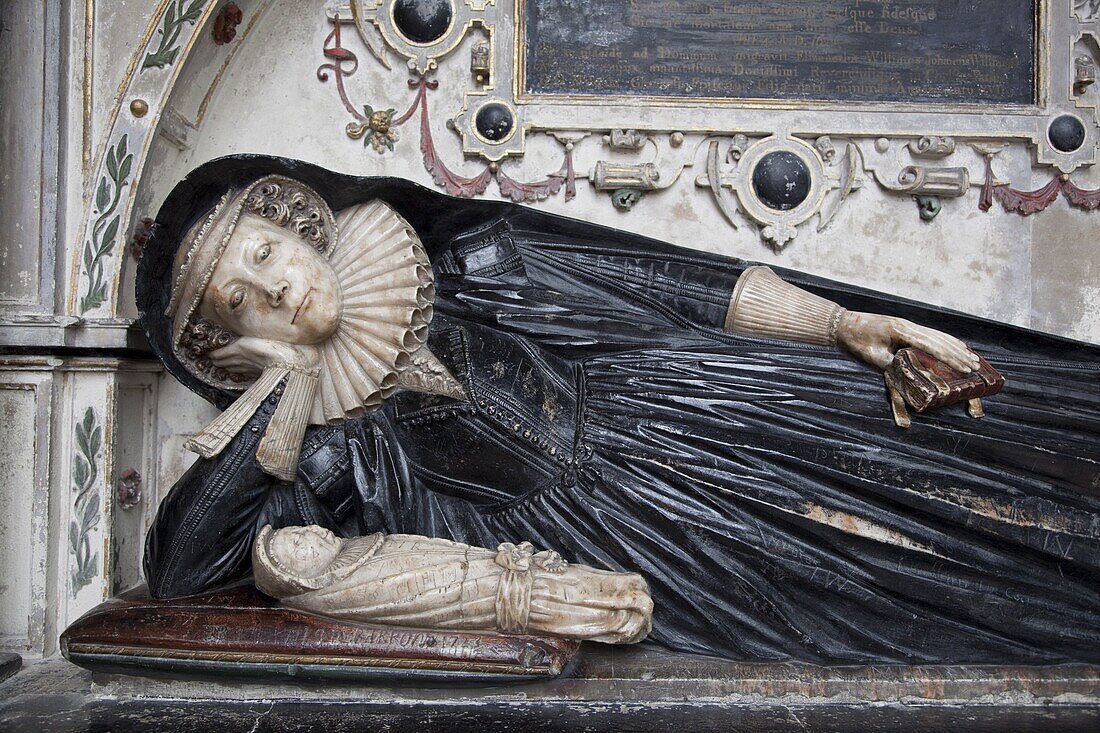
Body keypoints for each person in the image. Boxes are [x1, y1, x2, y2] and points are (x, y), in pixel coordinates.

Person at [140, 160, 1100, 664]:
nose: (273, 292)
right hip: (645, 540)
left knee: (970, 458)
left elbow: (687, 289)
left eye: (265, 256)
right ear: (236, 347)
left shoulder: (480, 258)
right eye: (240, 309)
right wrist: (286, 383)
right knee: (918, 597)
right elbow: (182, 570)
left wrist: (838, 321)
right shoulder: (338, 451)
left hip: (700, 404)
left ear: (300, 224)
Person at [252, 524, 653, 643]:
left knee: (570, 581)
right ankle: (621, 616)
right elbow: (425, 598)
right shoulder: (343, 593)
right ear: (300, 581)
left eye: (298, 529)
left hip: (491, 569)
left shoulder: (362, 548)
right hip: (492, 593)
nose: (311, 532)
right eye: (298, 546)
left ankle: (622, 602)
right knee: (564, 597)